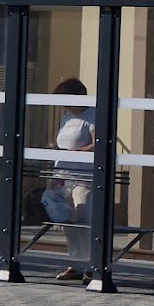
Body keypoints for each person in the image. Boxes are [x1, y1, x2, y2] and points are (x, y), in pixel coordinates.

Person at [50, 78, 96, 282]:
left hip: (84, 175)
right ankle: (75, 263)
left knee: (83, 216)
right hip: (63, 174)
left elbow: (97, 144)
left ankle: (91, 265)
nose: (65, 105)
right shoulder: (67, 118)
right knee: (67, 219)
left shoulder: (92, 115)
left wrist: (76, 152)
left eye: (67, 100)